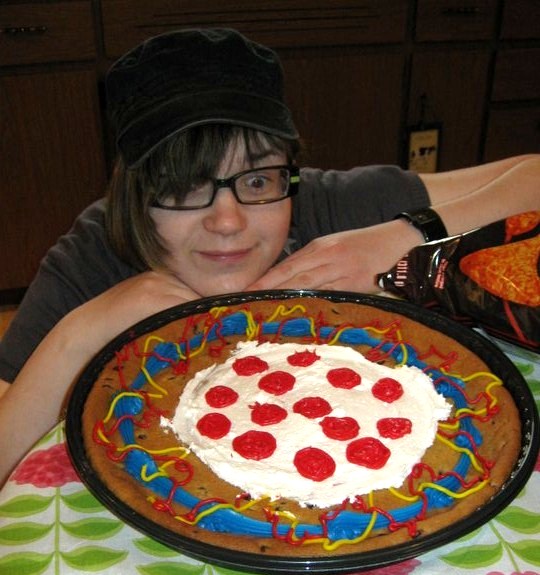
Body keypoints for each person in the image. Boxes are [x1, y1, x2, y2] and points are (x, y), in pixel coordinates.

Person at [0, 28, 538, 487]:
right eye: (186, 187)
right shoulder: (96, 253)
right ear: (131, 193)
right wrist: (80, 334)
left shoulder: (324, 207)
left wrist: (401, 233)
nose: (228, 221)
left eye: (256, 179)